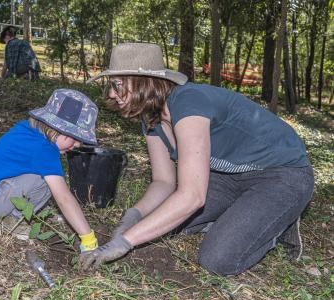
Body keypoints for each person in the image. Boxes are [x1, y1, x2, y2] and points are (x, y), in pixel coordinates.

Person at [80, 43, 314, 276]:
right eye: (111, 85)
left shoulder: (188, 101)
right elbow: (163, 182)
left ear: (145, 80)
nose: (111, 93)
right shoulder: (150, 116)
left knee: (217, 259)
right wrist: (134, 215)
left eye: (117, 84)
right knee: (163, 225)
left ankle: (278, 221)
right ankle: (242, 213)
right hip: (227, 176)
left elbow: (192, 196)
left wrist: (125, 242)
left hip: (282, 174)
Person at [0, 89, 99, 252]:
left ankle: (21, 211)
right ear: (59, 129)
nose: (76, 146)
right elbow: (64, 198)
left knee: (49, 177)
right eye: (75, 139)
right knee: (47, 180)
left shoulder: (30, 130)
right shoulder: (44, 149)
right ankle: (14, 220)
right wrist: (88, 238)